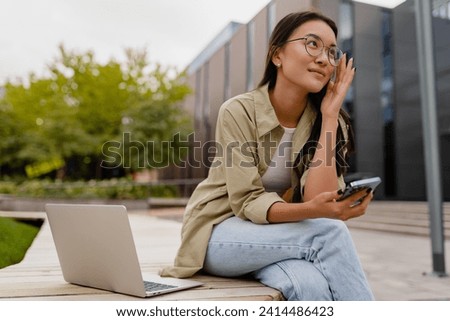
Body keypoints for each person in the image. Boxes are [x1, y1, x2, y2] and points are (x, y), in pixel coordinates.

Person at [161, 10, 374, 301]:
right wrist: (319, 213)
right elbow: (248, 202)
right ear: (277, 55)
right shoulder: (239, 111)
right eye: (312, 44)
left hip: (282, 238)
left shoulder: (331, 121)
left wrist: (329, 115)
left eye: (332, 51)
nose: (325, 59)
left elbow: (319, 200)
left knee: (308, 285)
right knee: (329, 234)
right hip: (220, 234)